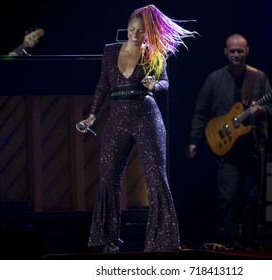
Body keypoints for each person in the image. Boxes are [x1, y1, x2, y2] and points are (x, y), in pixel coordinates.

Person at [76, 4, 197, 253]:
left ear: (148, 33)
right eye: (132, 29)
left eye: (140, 31)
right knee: (108, 176)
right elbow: (102, 86)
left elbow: (165, 84)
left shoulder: (155, 54)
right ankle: (108, 241)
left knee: (155, 178)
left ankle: (161, 242)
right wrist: (91, 117)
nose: (134, 34)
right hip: (118, 117)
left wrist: (154, 85)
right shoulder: (110, 52)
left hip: (146, 116)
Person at [186, 34, 272, 250]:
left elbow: (271, 107)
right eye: (232, 51)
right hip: (226, 149)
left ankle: (250, 242)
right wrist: (194, 140)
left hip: (252, 146)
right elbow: (200, 111)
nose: (236, 54)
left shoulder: (259, 77)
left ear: (247, 51)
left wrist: (261, 110)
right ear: (225, 52)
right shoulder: (214, 79)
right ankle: (233, 243)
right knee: (228, 198)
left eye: (240, 51)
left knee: (251, 199)